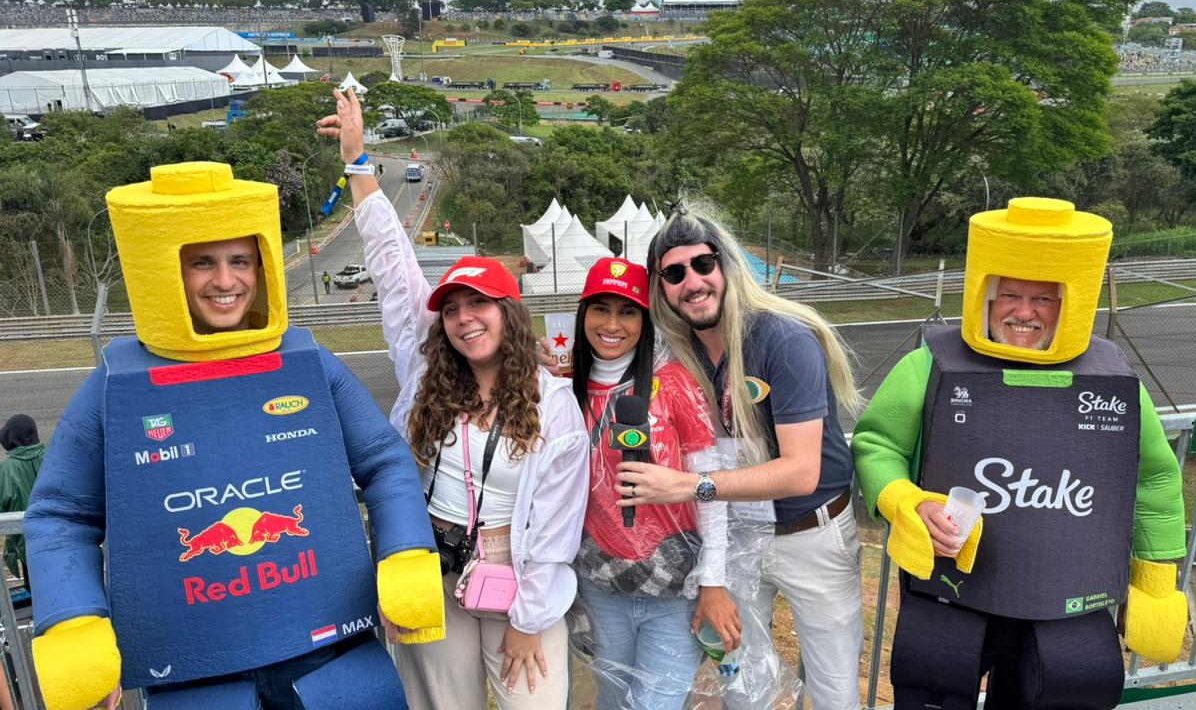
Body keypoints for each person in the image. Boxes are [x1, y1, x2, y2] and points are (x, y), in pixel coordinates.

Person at [23, 160, 445, 710]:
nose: (226, 281)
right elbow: (60, 513)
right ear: (165, 269)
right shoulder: (114, 387)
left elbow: (384, 461)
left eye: (240, 260)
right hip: (195, 675)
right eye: (203, 262)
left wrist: (406, 554)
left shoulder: (308, 363)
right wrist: (74, 619)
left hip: (331, 657)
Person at [852, 198, 1187, 710]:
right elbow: (878, 444)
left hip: (1067, 600)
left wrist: (1157, 580)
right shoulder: (927, 366)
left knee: (1067, 693)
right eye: (1009, 294)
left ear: (1069, 303)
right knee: (932, 692)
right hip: (952, 589)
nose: (1024, 311)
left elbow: (1154, 480)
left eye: (1043, 299)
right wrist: (904, 500)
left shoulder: (1115, 385)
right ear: (986, 295)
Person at [319, 86, 589, 710]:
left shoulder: (551, 402)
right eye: (453, 309)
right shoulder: (426, 371)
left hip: (517, 572)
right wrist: (358, 163)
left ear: (509, 313)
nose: (466, 319)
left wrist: (529, 617)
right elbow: (391, 264)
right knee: (440, 704)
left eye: (480, 305)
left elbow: (556, 519)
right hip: (435, 567)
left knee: (535, 700)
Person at [616, 201, 864, 710]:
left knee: (833, 691)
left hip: (811, 534)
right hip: (738, 535)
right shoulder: (673, 352)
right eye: (674, 273)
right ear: (660, 287)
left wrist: (690, 487)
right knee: (741, 684)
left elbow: (801, 471)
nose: (693, 282)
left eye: (703, 265)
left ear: (726, 265)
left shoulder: (783, 338)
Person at [569, 257, 739, 709]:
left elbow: (712, 489)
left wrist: (714, 580)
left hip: (674, 591)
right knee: (612, 699)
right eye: (600, 309)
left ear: (646, 320)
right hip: (601, 589)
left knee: (654, 704)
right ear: (582, 314)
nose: (612, 324)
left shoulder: (675, 384)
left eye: (628, 311)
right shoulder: (564, 394)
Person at [0, 414, 44, 584]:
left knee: (36, 590)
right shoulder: (53, 454)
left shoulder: (6, 470)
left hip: (27, 546)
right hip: (63, 540)